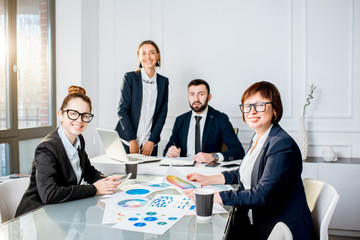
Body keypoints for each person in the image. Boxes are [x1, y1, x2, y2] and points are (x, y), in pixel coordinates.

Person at [184, 81, 316, 239]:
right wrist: (207, 179)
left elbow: (261, 195)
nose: (252, 111)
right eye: (247, 106)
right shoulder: (259, 138)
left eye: (259, 105)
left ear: (275, 109)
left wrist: (212, 196)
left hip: (280, 229)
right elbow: (242, 173)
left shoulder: (281, 144)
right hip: (260, 220)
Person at [16, 86, 122, 217]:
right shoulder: (46, 148)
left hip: (63, 212)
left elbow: (88, 171)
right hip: (38, 215)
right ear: (60, 114)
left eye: (85, 115)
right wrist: (95, 189)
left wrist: (106, 181)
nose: (79, 120)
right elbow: (49, 194)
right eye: (73, 114)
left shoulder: (79, 140)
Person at [164, 79, 245, 163]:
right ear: (188, 97)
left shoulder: (220, 119)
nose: (196, 99)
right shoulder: (180, 120)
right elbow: (167, 150)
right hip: (184, 169)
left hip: (209, 170)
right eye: (192, 94)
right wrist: (169, 152)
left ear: (209, 97)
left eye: (201, 94)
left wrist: (213, 157)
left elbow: (238, 151)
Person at [115, 40, 169, 156]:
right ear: (139, 57)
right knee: (127, 174)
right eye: (143, 53)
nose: (148, 57)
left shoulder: (163, 82)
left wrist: (152, 140)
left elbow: (162, 114)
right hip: (128, 141)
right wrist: (132, 140)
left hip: (150, 144)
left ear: (158, 55)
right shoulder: (130, 78)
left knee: (149, 173)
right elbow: (122, 110)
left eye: (152, 53)